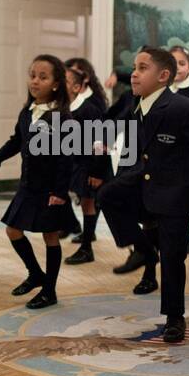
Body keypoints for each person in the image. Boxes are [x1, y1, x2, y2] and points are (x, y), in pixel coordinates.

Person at [98, 46, 189, 343]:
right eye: (134, 66)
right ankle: (143, 249)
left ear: (164, 76)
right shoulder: (137, 104)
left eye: (143, 67)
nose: (133, 73)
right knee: (107, 195)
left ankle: (174, 317)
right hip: (142, 182)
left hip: (175, 193)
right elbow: (134, 149)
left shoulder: (185, 108)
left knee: (172, 257)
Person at [0, 55, 75, 309]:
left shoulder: (62, 119)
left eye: (43, 77)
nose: (35, 81)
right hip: (28, 185)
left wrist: (60, 191)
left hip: (50, 189)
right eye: (32, 75)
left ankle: (50, 291)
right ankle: (35, 273)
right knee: (13, 229)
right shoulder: (28, 111)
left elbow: (65, 158)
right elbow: (18, 140)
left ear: (56, 84)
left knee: (50, 236)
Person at [63, 57, 112, 266]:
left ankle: (86, 247)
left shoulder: (90, 109)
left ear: (79, 84)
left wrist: (96, 171)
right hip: (74, 163)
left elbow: (101, 142)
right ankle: (76, 232)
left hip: (90, 164)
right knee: (83, 202)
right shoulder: (65, 107)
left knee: (90, 203)